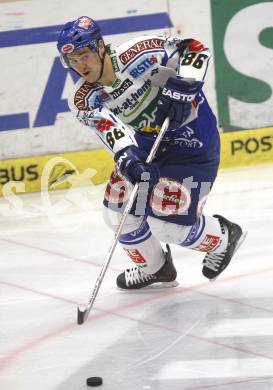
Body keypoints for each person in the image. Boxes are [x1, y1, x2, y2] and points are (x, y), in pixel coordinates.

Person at [57, 16, 246, 290]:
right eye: (73, 61)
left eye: (84, 55)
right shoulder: (84, 98)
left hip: (192, 141)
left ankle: (224, 236)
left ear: (100, 46)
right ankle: (156, 267)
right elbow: (112, 132)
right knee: (116, 212)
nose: (80, 66)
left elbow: (194, 49)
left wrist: (185, 86)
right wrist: (129, 159)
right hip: (148, 145)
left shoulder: (139, 53)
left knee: (168, 227)